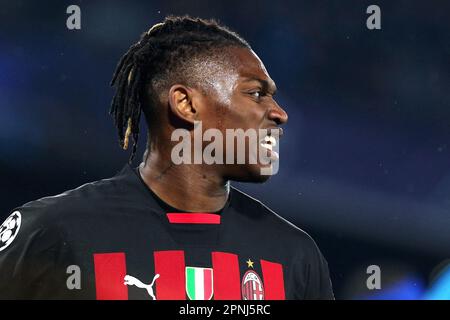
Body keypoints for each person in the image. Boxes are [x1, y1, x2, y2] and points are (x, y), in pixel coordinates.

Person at [0, 15, 334, 300]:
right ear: (186, 105)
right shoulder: (51, 232)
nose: (279, 113)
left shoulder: (294, 255)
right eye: (256, 93)